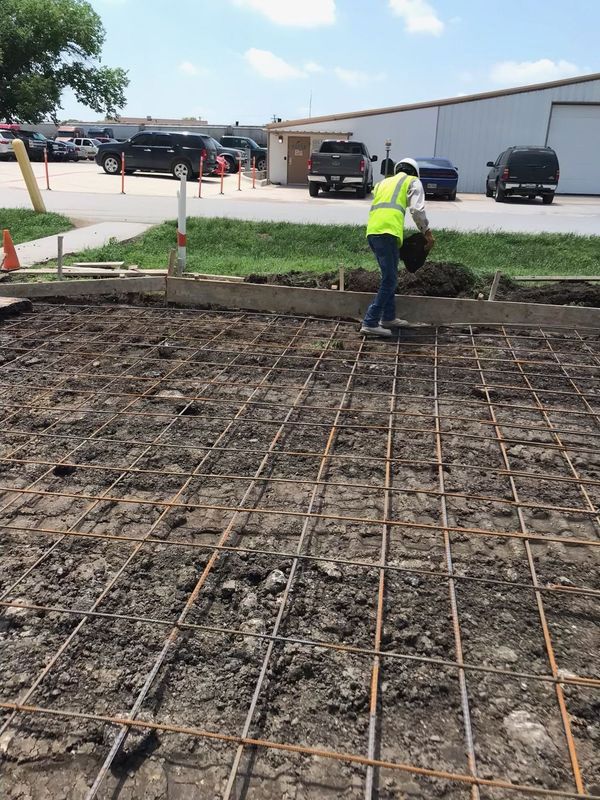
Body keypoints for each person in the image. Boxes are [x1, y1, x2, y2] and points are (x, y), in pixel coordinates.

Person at [361, 157, 435, 338]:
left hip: (373, 232)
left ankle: (388, 317)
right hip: (388, 234)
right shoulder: (412, 181)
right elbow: (417, 210)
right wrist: (427, 233)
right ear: (415, 172)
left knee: (390, 276)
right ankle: (370, 322)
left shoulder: (383, 183)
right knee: (390, 280)